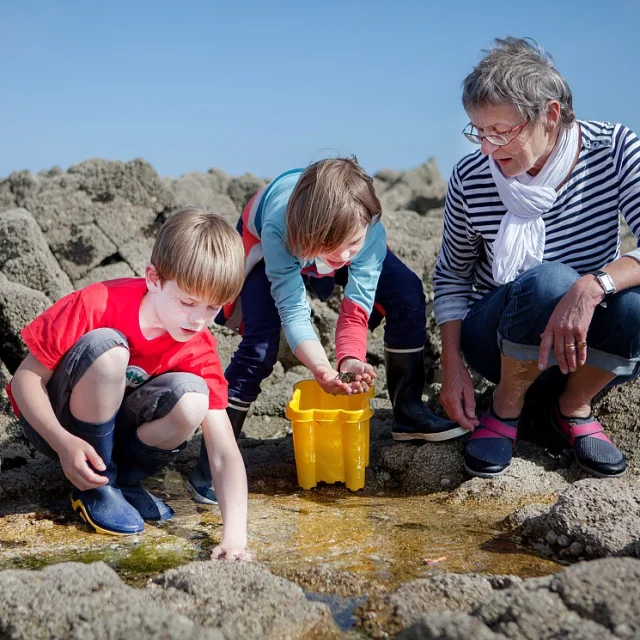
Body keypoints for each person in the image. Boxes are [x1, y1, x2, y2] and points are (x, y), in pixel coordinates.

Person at [187, 157, 465, 504]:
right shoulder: (279, 227)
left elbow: (355, 311)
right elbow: (293, 310)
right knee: (260, 345)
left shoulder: (367, 231)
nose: (348, 255)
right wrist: (320, 367)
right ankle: (211, 462)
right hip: (265, 239)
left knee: (406, 290)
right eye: (339, 248)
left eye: (354, 244)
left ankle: (408, 412)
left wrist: (349, 360)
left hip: (323, 236)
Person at [434, 36, 640, 479]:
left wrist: (592, 286)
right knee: (550, 281)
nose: (487, 147)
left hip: (583, 345)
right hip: (500, 340)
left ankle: (573, 406)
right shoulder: (471, 177)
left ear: (549, 115)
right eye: (478, 131)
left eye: (501, 132)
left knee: (627, 296)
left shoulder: (614, 147)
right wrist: (452, 369)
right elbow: (452, 277)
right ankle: (506, 409)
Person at [7, 209, 252, 560]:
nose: (199, 320)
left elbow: (225, 452)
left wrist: (234, 539)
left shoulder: (199, 348)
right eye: (187, 302)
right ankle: (95, 487)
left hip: (117, 433)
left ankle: (124, 482)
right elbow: (24, 382)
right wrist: (62, 443)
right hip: (57, 425)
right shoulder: (97, 303)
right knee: (109, 350)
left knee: (195, 400)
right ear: (154, 278)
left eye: (213, 308)